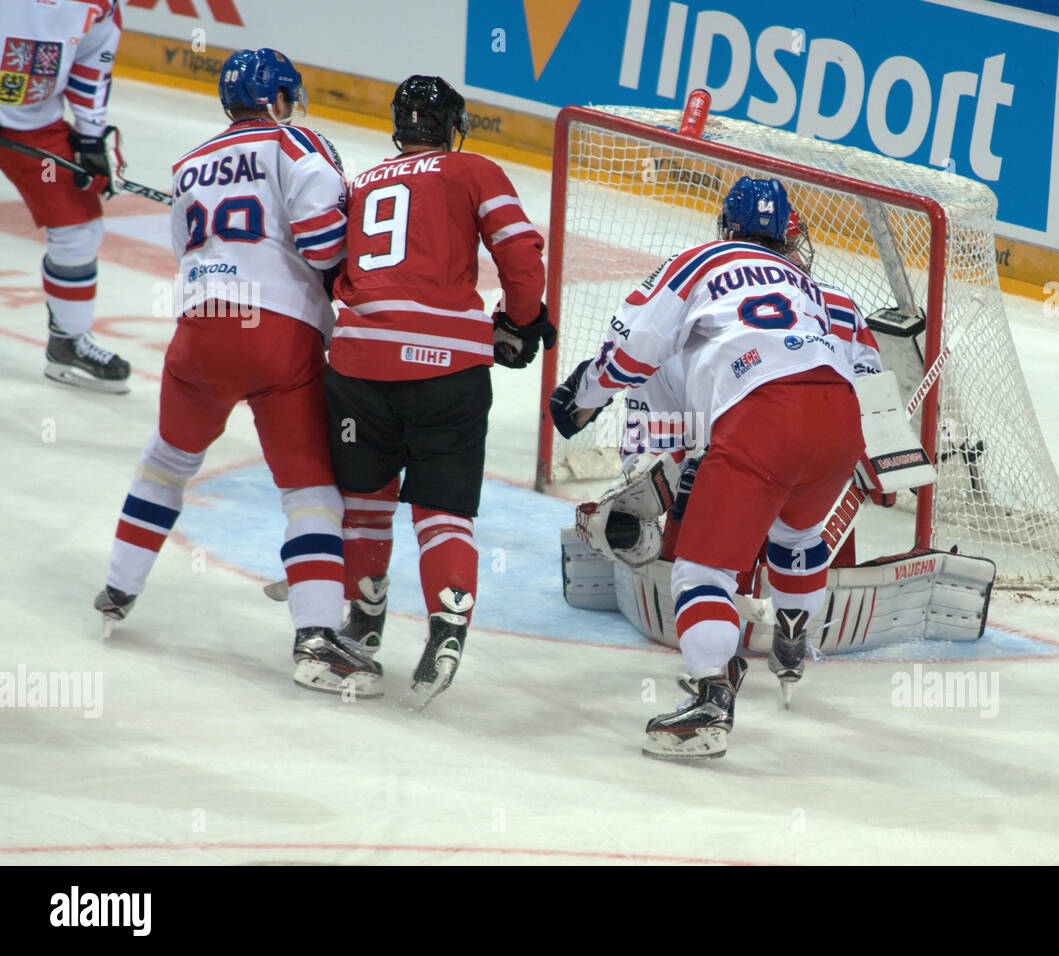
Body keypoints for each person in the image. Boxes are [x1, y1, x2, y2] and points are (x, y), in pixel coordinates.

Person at [551, 177, 865, 760]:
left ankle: (711, 700)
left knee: (701, 573)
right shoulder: (811, 287)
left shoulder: (702, 260)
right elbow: (861, 370)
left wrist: (585, 396)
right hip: (842, 420)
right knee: (798, 533)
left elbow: (635, 346)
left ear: (726, 226)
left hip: (762, 419)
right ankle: (794, 641)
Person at [92, 49, 363, 692]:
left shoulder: (188, 165)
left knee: (166, 462)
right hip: (278, 335)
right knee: (308, 491)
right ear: (277, 99)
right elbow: (326, 243)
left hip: (199, 332)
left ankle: (117, 587)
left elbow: (191, 253)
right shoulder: (295, 142)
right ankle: (316, 638)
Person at [320, 75, 551, 707]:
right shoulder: (473, 168)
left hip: (359, 362)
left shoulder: (360, 183)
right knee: (442, 508)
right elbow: (521, 253)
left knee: (365, 499)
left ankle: (363, 621)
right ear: (452, 126)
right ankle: (446, 628)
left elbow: (326, 266)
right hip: (447, 368)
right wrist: (521, 322)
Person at [0, 0, 131, 392]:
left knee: (80, 228)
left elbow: (92, 64)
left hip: (35, 126)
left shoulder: (102, 4)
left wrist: (91, 136)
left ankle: (68, 343)